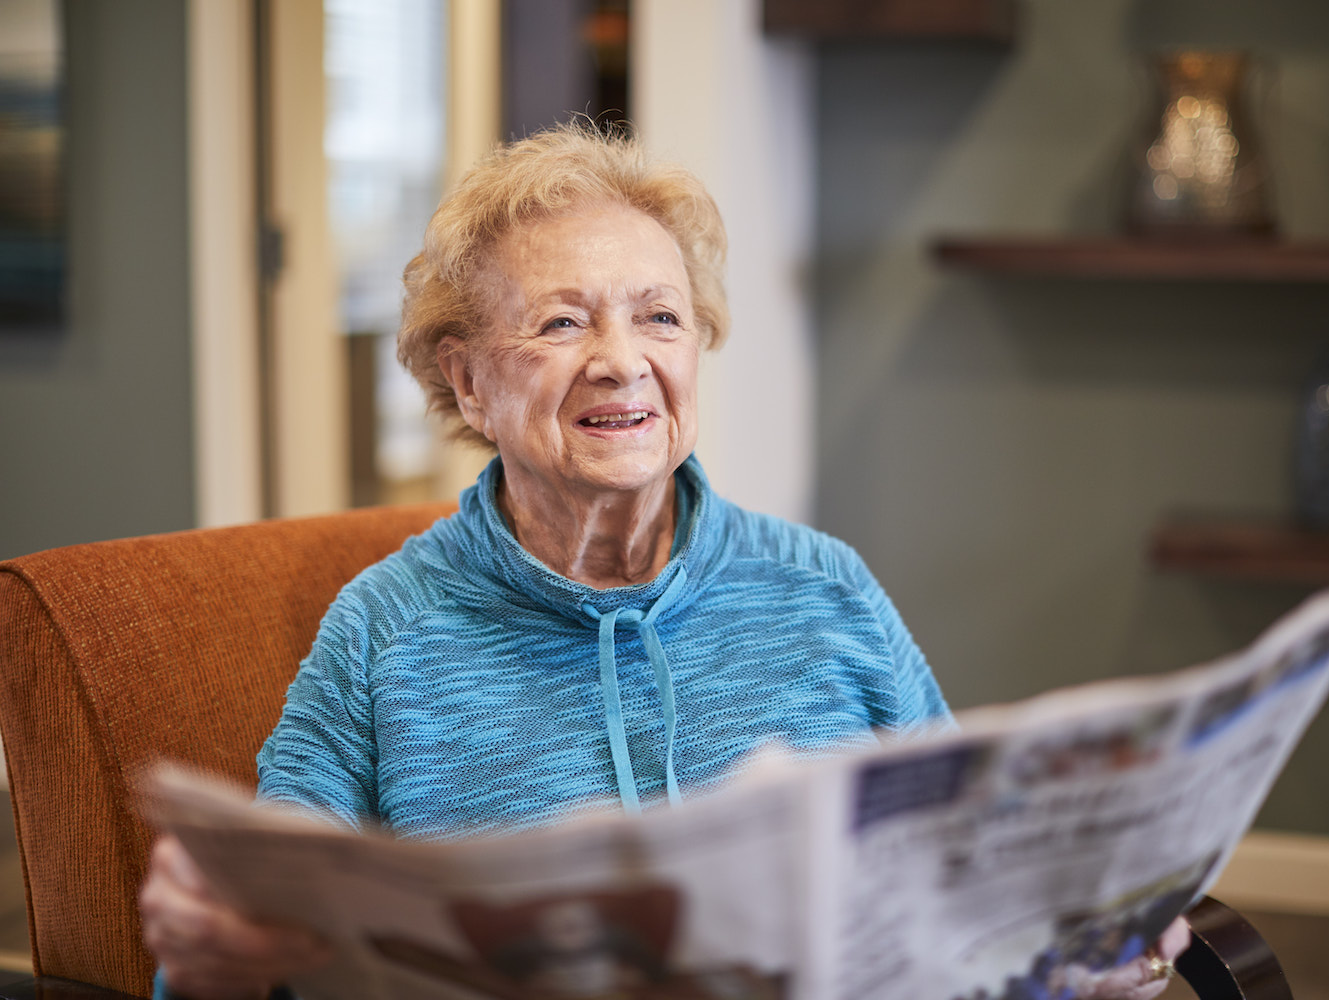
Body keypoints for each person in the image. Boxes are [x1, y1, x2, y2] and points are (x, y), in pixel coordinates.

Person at [138, 123, 1187, 1000]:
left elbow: (969, 878)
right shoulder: (381, 631)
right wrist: (209, 943)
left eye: (660, 316)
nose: (621, 359)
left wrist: (1084, 953)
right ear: (467, 384)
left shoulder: (827, 590)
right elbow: (260, 905)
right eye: (561, 321)